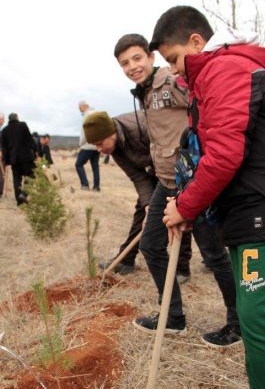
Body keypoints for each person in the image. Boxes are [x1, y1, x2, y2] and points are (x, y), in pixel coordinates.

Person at [153, 6, 265, 389]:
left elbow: (224, 156)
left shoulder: (226, 69)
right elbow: (213, 153)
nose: (173, 72)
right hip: (249, 211)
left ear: (196, 41)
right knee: (251, 313)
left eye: (173, 59)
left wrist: (186, 206)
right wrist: (191, 203)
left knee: (258, 316)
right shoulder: (210, 79)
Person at [113, 33, 239, 343]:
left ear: (151, 57)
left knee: (213, 253)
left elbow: (202, 101)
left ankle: (238, 322)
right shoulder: (144, 92)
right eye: (124, 63)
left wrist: (198, 151)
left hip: (195, 182)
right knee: (151, 245)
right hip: (166, 181)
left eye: (137, 58)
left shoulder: (171, 80)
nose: (132, 66)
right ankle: (174, 316)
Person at [83, 111, 193, 280]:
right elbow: (138, 176)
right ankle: (126, 260)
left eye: (99, 143)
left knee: (178, 211)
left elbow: (169, 145)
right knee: (143, 209)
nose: (99, 150)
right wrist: (149, 204)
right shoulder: (114, 147)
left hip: (174, 164)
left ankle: (181, 267)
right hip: (154, 169)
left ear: (110, 133)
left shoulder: (141, 126)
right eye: (95, 146)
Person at [1, 112, 37, 205]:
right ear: (17, 118)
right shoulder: (23, 125)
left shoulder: (4, 130)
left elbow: (4, 148)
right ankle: (24, 194)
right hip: (26, 158)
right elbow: (30, 140)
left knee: (17, 180)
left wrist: (7, 161)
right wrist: (35, 150)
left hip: (14, 160)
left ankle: (19, 201)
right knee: (31, 176)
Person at [76, 100, 101, 191]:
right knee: (95, 166)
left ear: (83, 106)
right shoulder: (97, 114)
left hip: (87, 145)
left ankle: (85, 184)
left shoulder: (87, 115)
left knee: (78, 164)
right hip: (97, 145)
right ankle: (96, 187)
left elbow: (85, 132)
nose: (80, 111)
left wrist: (80, 144)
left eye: (80, 108)